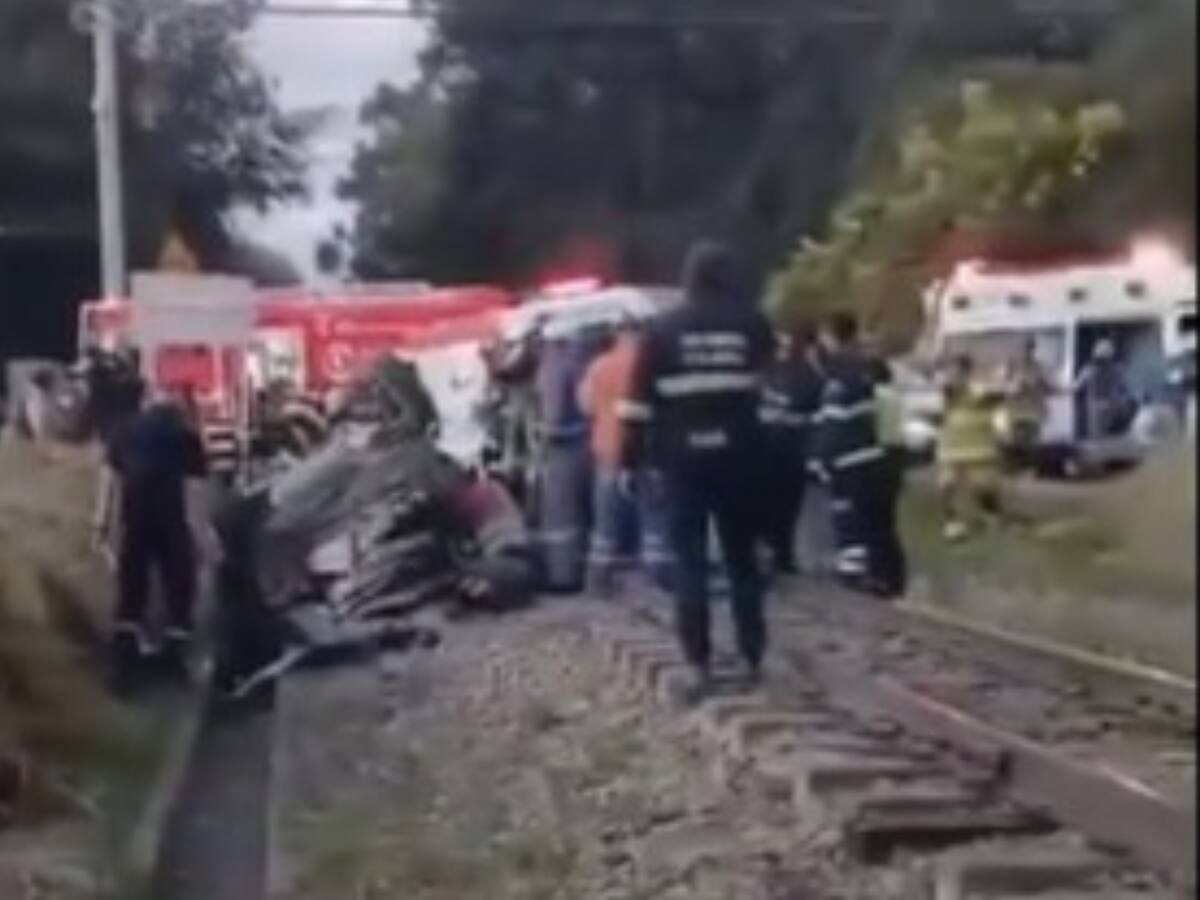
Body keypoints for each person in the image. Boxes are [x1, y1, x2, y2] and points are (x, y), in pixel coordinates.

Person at [618, 240, 774, 702]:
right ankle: (751, 655)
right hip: (741, 459)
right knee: (742, 560)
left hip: (680, 461)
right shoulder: (752, 325)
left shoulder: (660, 332)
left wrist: (631, 462)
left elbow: (635, 407)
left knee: (690, 564)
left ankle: (699, 662)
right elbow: (771, 391)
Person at [99, 388, 209, 693]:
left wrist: (102, 527)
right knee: (179, 591)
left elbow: (109, 485)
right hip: (172, 523)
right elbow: (194, 495)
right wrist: (201, 538)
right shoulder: (187, 438)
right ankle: (174, 663)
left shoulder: (122, 432)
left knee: (131, 592)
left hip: (133, 522)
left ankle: (123, 668)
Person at [809, 312, 890, 593]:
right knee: (869, 518)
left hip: (848, 458)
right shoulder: (866, 367)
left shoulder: (839, 374)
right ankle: (873, 573)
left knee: (847, 515)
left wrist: (818, 459)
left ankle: (854, 575)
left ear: (830, 335)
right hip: (872, 453)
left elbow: (834, 421)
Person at [578, 318, 643, 595]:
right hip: (642, 449)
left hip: (606, 447)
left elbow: (585, 405)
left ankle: (599, 578)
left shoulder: (599, 365)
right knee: (647, 516)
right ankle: (647, 576)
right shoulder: (647, 363)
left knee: (606, 520)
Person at [757, 323, 823, 575]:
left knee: (771, 504)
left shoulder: (763, 373)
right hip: (789, 450)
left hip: (771, 450)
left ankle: (773, 551)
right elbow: (817, 415)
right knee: (786, 506)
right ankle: (781, 554)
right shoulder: (808, 375)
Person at [532, 331, 593, 592]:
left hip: (562, 448)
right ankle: (579, 570)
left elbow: (554, 416)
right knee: (580, 514)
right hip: (586, 444)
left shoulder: (554, 364)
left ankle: (562, 575)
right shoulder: (584, 360)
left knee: (560, 516)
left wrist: (540, 431)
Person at [937, 355, 1003, 542]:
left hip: (978, 446)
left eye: (958, 371)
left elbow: (995, 397)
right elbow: (945, 400)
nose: (954, 374)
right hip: (952, 447)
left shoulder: (980, 389)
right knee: (946, 485)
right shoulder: (948, 390)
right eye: (952, 370)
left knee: (984, 486)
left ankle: (990, 514)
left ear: (967, 371)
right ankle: (952, 522)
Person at [866, 354, 908, 598]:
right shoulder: (895, 396)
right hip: (896, 456)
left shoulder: (875, 397)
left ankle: (880, 575)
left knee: (874, 522)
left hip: (879, 455)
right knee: (888, 521)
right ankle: (896, 576)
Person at [1001, 339, 1049, 470]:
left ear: (1033, 350)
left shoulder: (1038, 367)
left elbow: (1046, 385)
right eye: (1024, 349)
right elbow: (1003, 384)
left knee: (1032, 442)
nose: (1026, 352)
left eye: (1029, 349)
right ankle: (1014, 465)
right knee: (1014, 440)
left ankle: (1029, 466)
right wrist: (1014, 386)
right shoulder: (1011, 365)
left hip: (1032, 410)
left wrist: (1038, 387)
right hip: (1015, 410)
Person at [1073, 339, 1134, 440]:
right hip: (1113, 408)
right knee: (1113, 438)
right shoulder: (1118, 370)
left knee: (1097, 439)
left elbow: (1076, 387)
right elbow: (1126, 389)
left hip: (1097, 410)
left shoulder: (1088, 370)